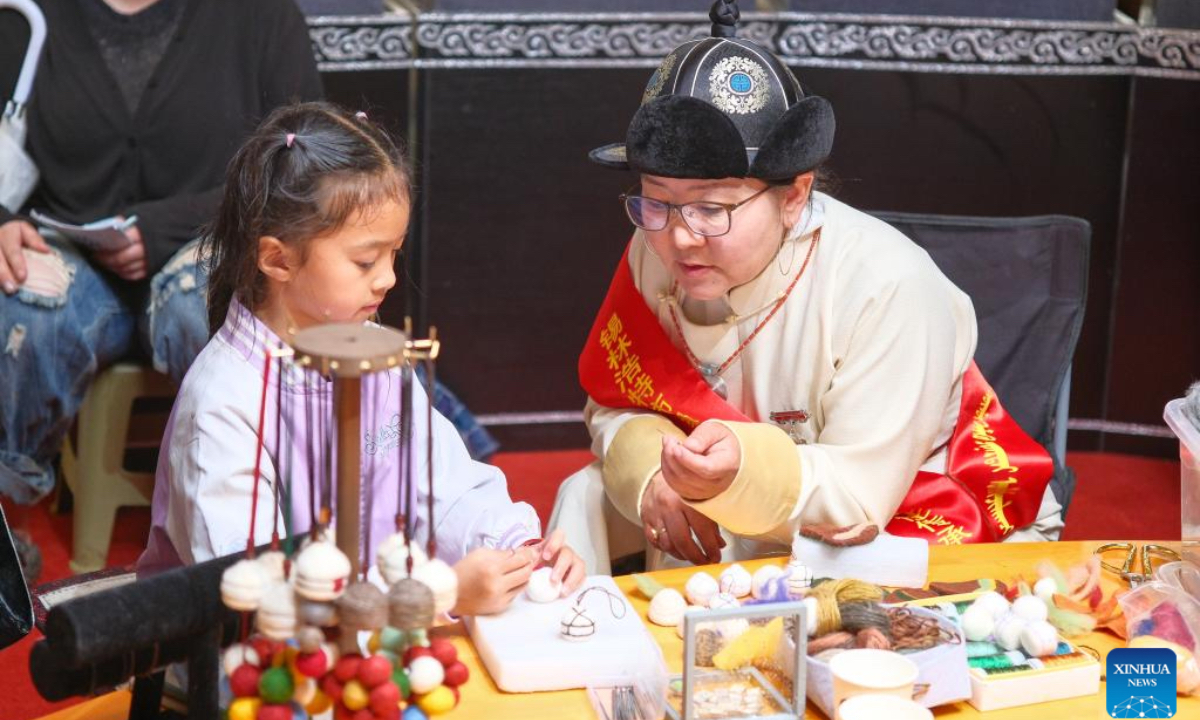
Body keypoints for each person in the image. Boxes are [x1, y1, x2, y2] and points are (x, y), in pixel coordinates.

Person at [548, 0, 1064, 574]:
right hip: (734, 494)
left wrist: (737, 470)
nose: (680, 239)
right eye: (655, 201)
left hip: (900, 510)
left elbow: (856, 497)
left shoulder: (889, 286)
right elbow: (616, 401)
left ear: (794, 195)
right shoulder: (654, 247)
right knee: (585, 491)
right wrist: (652, 475)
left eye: (712, 209)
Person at [138, 103, 584, 615]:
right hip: (259, 667)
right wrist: (440, 594)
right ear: (278, 259)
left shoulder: (370, 350)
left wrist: (515, 548)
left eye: (395, 253)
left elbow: (441, 483)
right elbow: (260, 601)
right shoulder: (225, 403)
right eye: (366, 260)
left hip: (377, 627)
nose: (389, 278)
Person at [0, 0, 322, 580]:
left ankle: (259, 517)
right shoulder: (29, 13)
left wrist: (164, 226)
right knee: (25, 301)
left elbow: (300, 162)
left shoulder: (262, 14)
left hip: (211, 234)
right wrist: (0, 219)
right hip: (67, 243)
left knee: (209, 308)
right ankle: (10, 515)